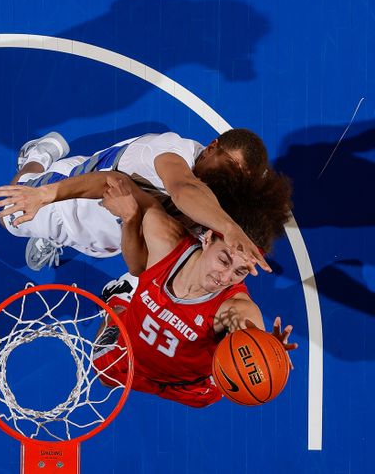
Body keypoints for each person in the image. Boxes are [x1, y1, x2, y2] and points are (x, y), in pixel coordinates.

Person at [90, 168, 296, 407]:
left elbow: (246, 325)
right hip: (131, 353)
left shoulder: (234, 308)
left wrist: (262, 348)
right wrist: (47, 194)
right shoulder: (166, 238)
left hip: (185, 385)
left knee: (204, 400)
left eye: (240, 272)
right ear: (207, 239)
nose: (226, 277)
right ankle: (120, 299)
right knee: (103, 376)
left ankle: (130, 294)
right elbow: (118, 182)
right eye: (224, 260)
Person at [0, 129, 270, 273]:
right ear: (212, 147)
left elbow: (143, 263)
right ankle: (37, 157)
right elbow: (184, 189)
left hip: (109, 239)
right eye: (230, 167)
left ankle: (57, 239)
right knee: (7, 216)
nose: (230, 179)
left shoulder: (214, 204)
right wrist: (231, 228)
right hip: (68, 199)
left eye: (239, 179)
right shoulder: (170, 150)